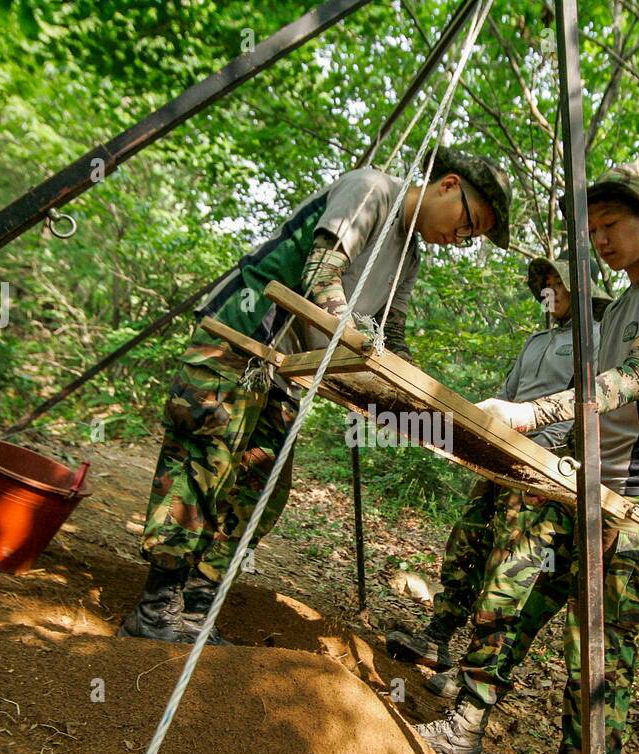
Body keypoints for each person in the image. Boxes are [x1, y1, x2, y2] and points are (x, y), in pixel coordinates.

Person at [417, 163, 639, 754]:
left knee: (598, 656)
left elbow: (637, 376)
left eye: (610, 227)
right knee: (510, 591)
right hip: (579, 484)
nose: (599, 241)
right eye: (592, 231)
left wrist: (533, 411)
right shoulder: (613, 309)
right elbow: (589, 392)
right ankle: (465, 725)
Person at [119, 147, 513, 644]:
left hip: (291, 372)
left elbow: (392, 329)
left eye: (469, 238)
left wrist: (417, 391)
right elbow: (321, 273)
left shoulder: (409, 257)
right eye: (467, 224)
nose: (458, 239)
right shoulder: (373, 189)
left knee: (261, 487)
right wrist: (355, 338)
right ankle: (156, 607)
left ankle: (198, 605)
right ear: (448, 184)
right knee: (205, 463)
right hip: (242, 338)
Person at [384, 255, 610, 692]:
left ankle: (472, 673)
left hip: (544, 469)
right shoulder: (534, 342)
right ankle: (437, 638)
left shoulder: (596, 338)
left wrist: (549, 445)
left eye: (556, 283)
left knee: (509, 571)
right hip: (498, 457)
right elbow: (506, 396)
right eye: (542, 284)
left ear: (580, 290)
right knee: (465, 544)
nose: (547, 291)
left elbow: (588, 404)